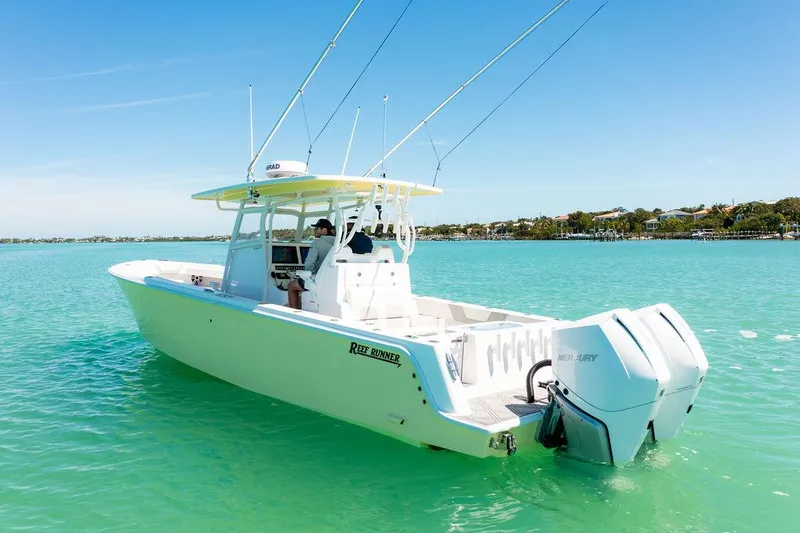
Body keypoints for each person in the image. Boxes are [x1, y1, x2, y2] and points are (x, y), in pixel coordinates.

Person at [287, 218, 335, 309]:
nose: (314, 230)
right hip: (331, 279)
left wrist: (307, 275)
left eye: (317, 228)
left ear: (324, 230)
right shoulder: (339, 243)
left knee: (291, 286)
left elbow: (309, 264)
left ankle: (294, 313)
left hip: (319, 279)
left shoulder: (317, 243)